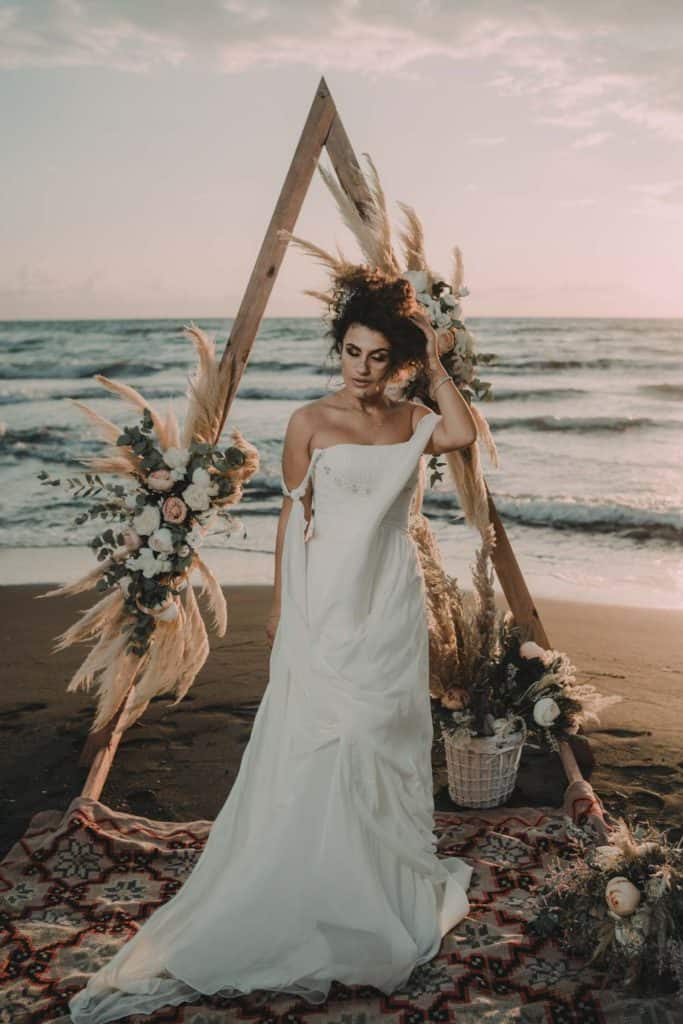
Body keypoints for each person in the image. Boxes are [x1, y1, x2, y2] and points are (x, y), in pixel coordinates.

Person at [68, 269, 478, 1023]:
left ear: (397, 361)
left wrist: (435, 357)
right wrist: (284, 607)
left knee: (383, 733)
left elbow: (463, 433)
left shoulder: (416, 416)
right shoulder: (308, 421)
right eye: (351, 351)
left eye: (378, 356)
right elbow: (296, 516)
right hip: (324, 597)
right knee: (325, 735)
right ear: (338, 348)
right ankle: (317, 876)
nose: (361, 368)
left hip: (390, 597)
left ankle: (374, 874)